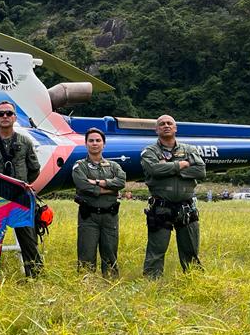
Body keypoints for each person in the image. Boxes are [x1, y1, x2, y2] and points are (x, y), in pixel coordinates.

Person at [0, 101, 43, 278]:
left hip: (19, 197)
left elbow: (34, 169)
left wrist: (23, 183)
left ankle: (35, 277)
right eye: (1, 114)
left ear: (15, 117)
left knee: (28, 239)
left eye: (9, 113)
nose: (5, 117)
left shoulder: (24, 141)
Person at [140, 114, 206, 278]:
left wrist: (169, 169)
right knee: (156, 251)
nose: (166, 126)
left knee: (190, 250)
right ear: (157, 129)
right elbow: (154, 170)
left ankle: (194, 282)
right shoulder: (149, 152)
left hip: (187, 208)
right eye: (162, 124)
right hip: (161, 208)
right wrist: (181, 165)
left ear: (175, 128)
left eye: (170, 123)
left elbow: (200, 171)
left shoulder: (190, 149)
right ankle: (151, 284)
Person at [72, 127, 126, 278]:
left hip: (110, 216)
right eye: (91, 141)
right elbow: (83, 185)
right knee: (86, 253)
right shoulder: (79, 166)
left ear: (104, 144)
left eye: (98, 140)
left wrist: (96, 182)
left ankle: (110, 283)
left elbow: (121, 182)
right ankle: (86, 285)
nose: (94, 143)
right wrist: (110, 189)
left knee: (110, 253)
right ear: (86, 144)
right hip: (88, 217)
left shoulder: (114, 166)